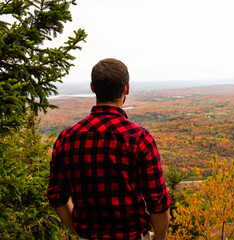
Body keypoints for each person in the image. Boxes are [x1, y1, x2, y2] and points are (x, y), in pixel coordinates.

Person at [47, 58, 171, 240]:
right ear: (126, 88)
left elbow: (57, 197)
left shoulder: (66, 139)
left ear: (92, 87)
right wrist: (159, 238)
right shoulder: (139, 139)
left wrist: (79, 232)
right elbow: (157, 203)